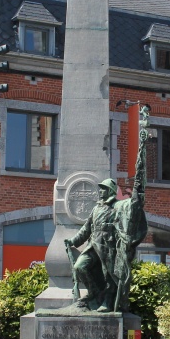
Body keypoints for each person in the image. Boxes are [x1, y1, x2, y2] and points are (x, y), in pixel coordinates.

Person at [64, 125, 148, 313]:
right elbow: (86, 230)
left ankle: (106, 301)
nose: (100, 191)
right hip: (94, 245)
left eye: (103, 189)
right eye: (100, 188)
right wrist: (73, 241)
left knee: (110, 276)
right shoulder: (96, 208)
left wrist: (139, 175)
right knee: (80, 267)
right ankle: (94, 293)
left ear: (109, 191)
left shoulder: (118, 206)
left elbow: (136, 201)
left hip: (109, 248)